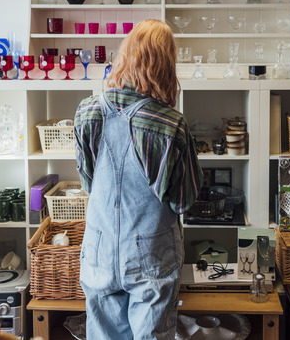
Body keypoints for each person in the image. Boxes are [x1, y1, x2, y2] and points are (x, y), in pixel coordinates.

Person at [74, 19, 202, 339]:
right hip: (152, 254)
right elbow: (184, 199)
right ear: (165, 65)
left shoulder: (87, 112)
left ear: (125, 55)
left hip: (99, 250)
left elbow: (89, 182)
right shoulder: (171, 124)